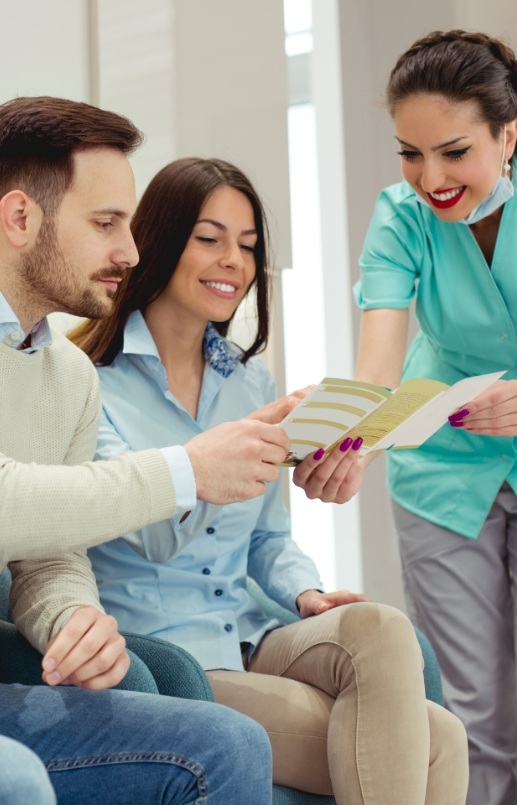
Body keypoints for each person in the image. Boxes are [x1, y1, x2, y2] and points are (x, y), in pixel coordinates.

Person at [71, 156, 469, 805]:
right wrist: (222, 453)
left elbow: (268, 538)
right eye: (210, 238)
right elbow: (153, 538)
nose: (234, 259)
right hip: (168, 655)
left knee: (385, 632)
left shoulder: (249, 380)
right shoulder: (91, 383)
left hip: (253, 630)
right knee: (437, 740)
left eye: (249, 245)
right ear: (160, 239)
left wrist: (305, 591)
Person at [0, 94, 283, 804]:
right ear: (19, 218)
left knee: (227, 736)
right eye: (105, 224)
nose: (129, 250)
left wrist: (70, 617)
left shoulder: (64, 375)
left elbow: (49, 553)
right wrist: (184, 470)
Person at [352, 29, 517, 805]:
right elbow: (375, 369)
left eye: (454, 152)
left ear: (509, 133)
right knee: (471, 714)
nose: (429, 178)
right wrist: (346, 444)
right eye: (410, 153)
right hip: (440, 470)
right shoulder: (399, 218)